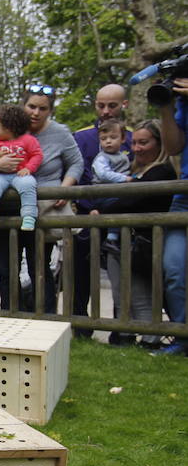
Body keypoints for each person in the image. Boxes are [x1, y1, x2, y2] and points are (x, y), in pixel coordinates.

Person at [0, 84, 82, 314]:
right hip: (7, 208)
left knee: (40, 267)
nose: (36, 112)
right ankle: (8, 315)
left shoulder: (60, 133)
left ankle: (44, 318)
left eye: (42, 108)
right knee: (6, 269)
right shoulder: (3, 130)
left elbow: (76, 163)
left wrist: (65, 189)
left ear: (50, 111)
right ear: (23, 106)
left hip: (42, 208)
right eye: (32, 106)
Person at [92, 119, 175, 348]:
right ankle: (125, 337)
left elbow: (131, 201)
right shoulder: (129, 168)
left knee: (140, 294)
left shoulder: (162, 171)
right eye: (135, 143)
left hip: (144, 243)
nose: (137, 148)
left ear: (160, 143)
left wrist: (104, 208)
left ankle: (150, 340)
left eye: (144, 142)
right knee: (120, 293)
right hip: (121, 241)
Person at [72, 84, 132, 337]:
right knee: (81, 270)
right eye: (101, 105)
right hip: (87, 213)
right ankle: (81, 323)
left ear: (124, 105)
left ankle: (122, 327)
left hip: (124, 214)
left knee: (122, 270)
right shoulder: (81, 137)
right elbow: (76, 172)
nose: (106, 111)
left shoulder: (133, 137)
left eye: (112, 105)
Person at [156, 77, 188, 356]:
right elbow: (174, 147)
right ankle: (181, 337)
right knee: (174, 270)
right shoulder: (183, 103)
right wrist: (166, 108)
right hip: (183, 195)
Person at [0, 104, 43, 234]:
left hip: (20, 174)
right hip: (0, 175)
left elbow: (37, 155)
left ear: (8, 128)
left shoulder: (28, 140)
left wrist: (29, 168)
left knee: (29, 186)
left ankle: (29, 216)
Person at [91, 119, 132, 250]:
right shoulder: (101, 158)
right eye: (103, 139)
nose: (108, 141)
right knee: (117, 207)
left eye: (113, 137)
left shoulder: (122, 156)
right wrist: (125, 179)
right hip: (104, 193)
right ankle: (111, 238)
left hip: (118, 192)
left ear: (123, 138)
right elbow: (103, 174)